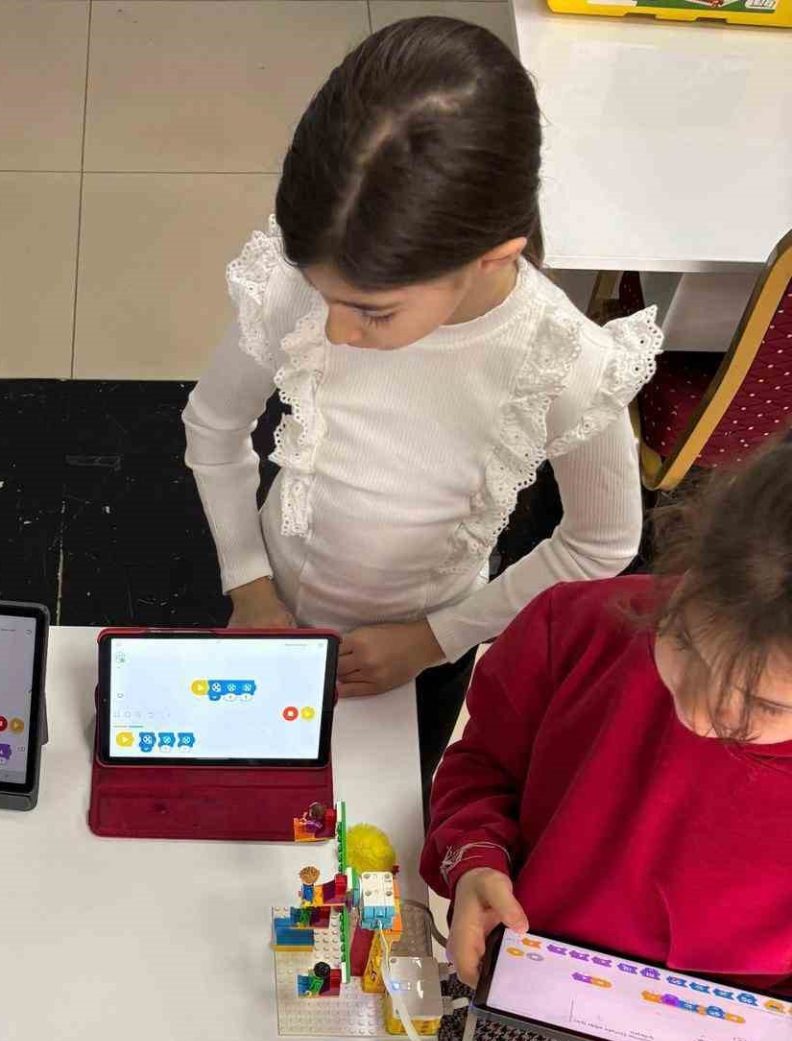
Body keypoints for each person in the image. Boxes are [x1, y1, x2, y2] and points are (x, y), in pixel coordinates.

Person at [183, 17, 660, 802]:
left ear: (493, 256)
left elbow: (601, 540)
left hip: (425, 646)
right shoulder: (303, 286)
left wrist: (435, 639)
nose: (336, 330)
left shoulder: (561, 359)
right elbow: (214, 425)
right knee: (239, 790)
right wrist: (249, 583)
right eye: (324, 295)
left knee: (381, 814)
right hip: (270, 599)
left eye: (371, 312)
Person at [424, 442, 792, 1041]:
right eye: (686, 645)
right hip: (496, 1015)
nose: (703, 713)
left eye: (762, 705)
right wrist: (475, 861)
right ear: (688, 567)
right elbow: (482, 767)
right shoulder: (576, 623)